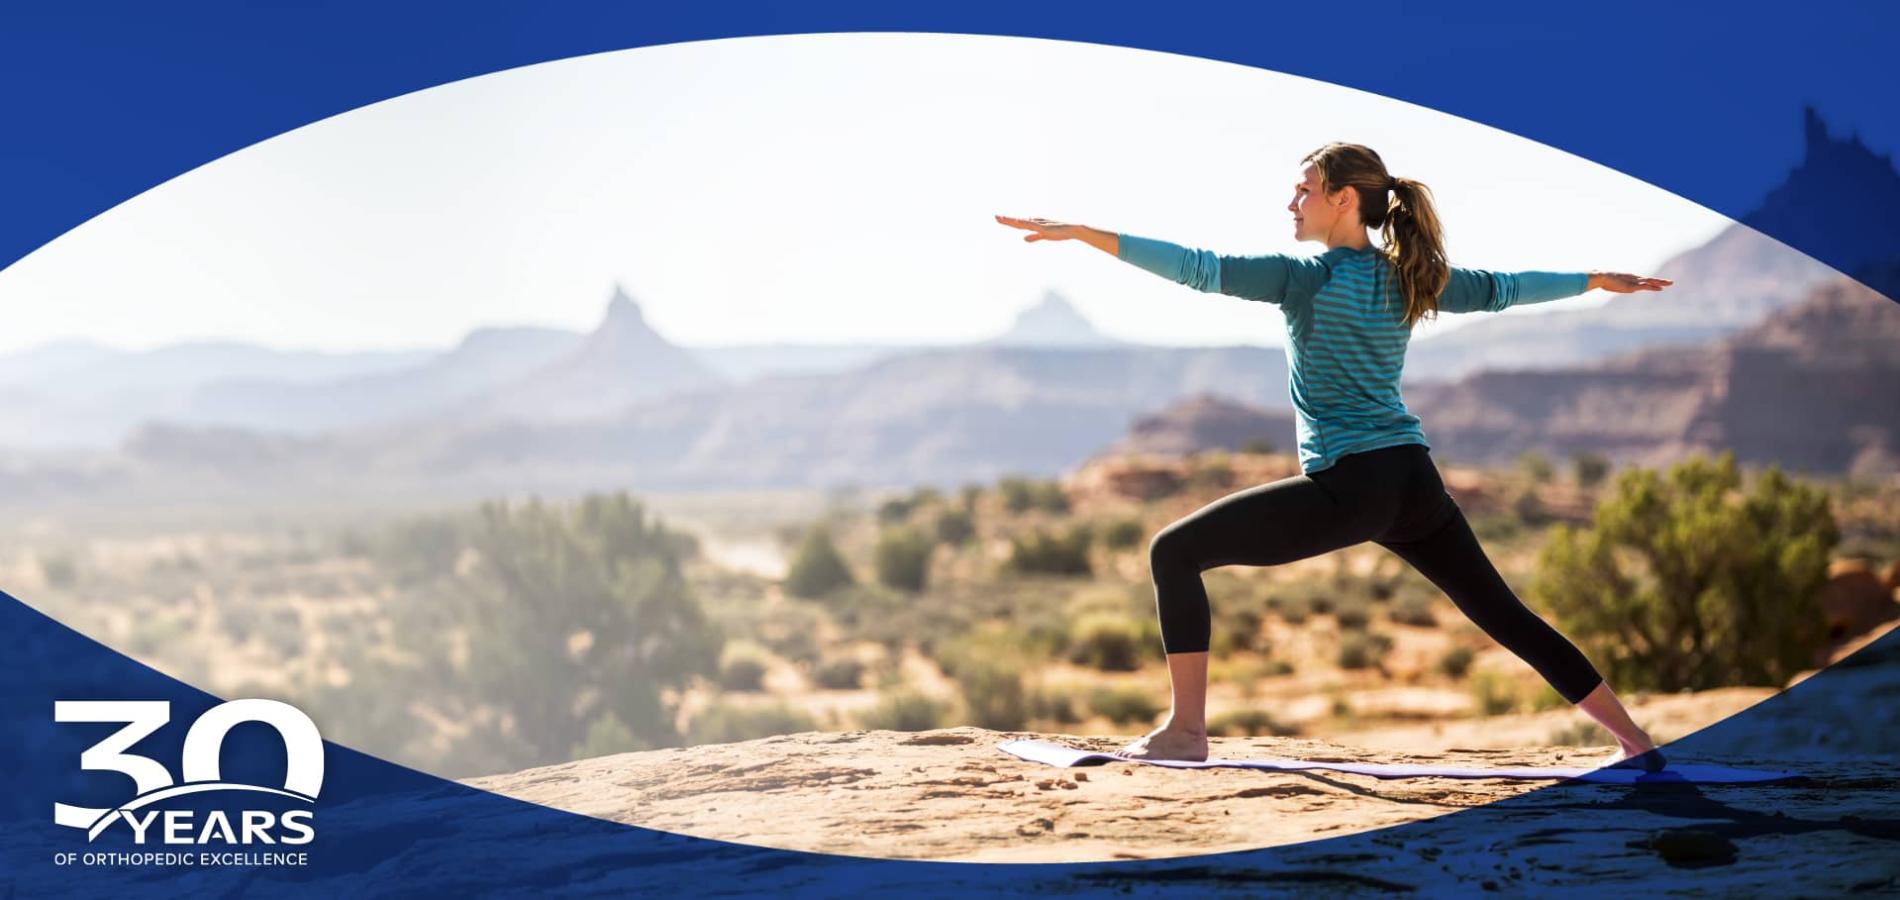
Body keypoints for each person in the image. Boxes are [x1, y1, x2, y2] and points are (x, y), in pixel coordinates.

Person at [995, 141, 1674, 771]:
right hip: (1414, 481)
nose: (1292, 204)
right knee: (1503, 613)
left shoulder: (1305, 279)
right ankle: (1634, 742)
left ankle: (1186, 733)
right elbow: (1503, 289)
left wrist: (1085, 234)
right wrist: (1591, 279)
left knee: (1173, 552)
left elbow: (1196, 269)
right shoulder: (1415, 277)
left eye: (1303, 190)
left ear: (1345, 198)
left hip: (1354, 485)